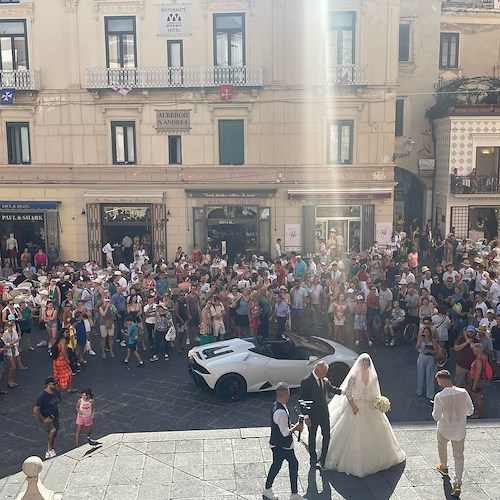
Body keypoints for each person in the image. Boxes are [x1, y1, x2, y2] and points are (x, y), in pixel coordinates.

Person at [322, 353, 406, 476]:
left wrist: (379, 402)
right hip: (356, 406)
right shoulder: (354, 377)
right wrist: (353, 406)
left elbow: (375, 392)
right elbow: (348, 393)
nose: (366, 365)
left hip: (369, 406)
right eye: (363, 363)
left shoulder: (373, 376)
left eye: (367, 363)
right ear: (360, 364)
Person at [433, 370, 474, 498]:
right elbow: (470, 411)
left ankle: (444, 466)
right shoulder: (463, 392)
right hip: (459, 429)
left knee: (442, 446)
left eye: (439, 381)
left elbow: (436, 416)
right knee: (459, 455)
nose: (438, 384)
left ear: (443, 381)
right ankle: (458, 482)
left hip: (445, 428)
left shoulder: (439, 396)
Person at [263, 382, 305, 500]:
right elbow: (285, 433)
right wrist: (296, 427)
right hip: (282, 445)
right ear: (287, 394)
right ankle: (292, 494)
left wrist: (290, 425)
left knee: (279, 465)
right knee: (289, 464)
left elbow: (282, 426)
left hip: (277, 443)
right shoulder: (281, 412)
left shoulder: (275, 405)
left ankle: (269, 488)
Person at [300, 360, 342, 469]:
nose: (325, 375)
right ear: (317, 370)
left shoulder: (324, 380)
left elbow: (331, 388)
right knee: (312, 436)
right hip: (312, 415)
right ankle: (313, 458)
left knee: (327, 435)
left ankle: (323, 458)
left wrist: (344, 392)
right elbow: (302, 400)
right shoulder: (306, 381)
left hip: (324, 413)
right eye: (324, 372)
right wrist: (306, 417)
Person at [33, 376, 62, 459]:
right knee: (52, 431)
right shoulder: (42, 396)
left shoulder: (56, 392)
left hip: (55, 416)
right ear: (49, 384)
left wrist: (57, 404)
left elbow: (60, 397)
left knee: (54, 433)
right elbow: (35, 410)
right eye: (55, 384)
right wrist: (44, 419)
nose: (56, 385)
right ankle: (50, 450)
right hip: (47, 418)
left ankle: (49, 449)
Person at [416, 326, 438, 401]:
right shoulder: (420, 339)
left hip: (430, 357)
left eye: (427, 332)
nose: (426, 333)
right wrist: (419, 342)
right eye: (424, 332)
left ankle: (430, 394)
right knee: (420, 374)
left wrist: (430, 351)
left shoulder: (433, 341)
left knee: (430, 375)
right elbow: (416, 348)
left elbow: (436, 351)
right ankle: (419, 391)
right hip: (422, 356)